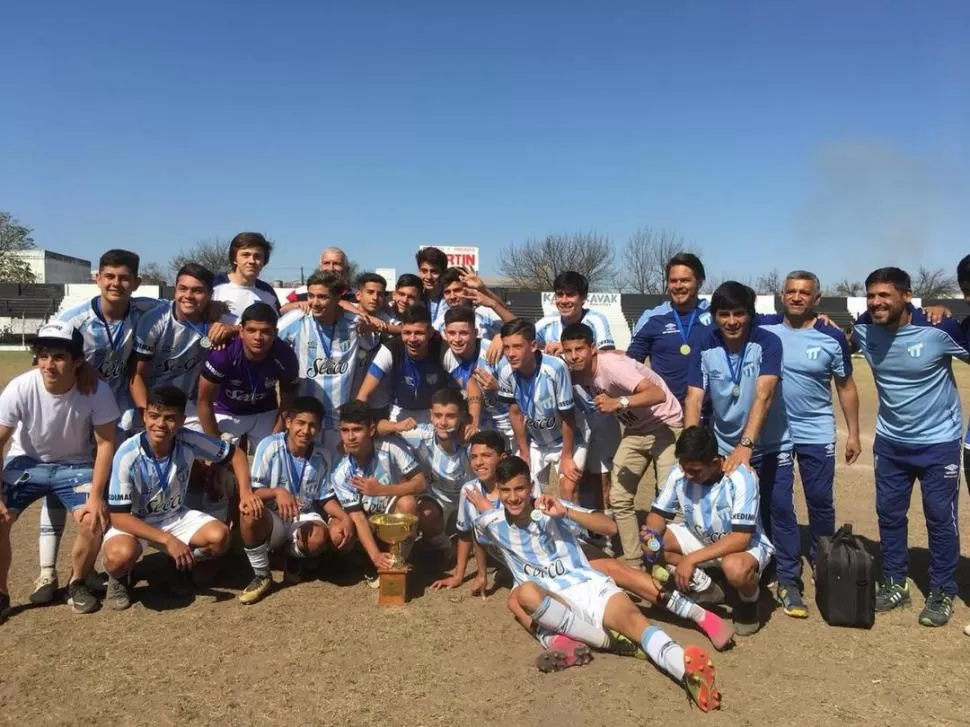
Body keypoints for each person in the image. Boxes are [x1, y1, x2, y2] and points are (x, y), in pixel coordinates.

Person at [466, 457, 720, 712]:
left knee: (636, 622)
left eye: (519, 489)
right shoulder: (490, 522)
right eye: (507, 490)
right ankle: (606, 641)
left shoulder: (551, 508)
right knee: (525, 594)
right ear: (498, 490)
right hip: (555, 602)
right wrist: (481, 574)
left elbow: (609, 527)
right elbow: (478, 537)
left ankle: (686, 672)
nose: (513, 497)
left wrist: (565, 511)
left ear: (531, 487)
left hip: (590, 588)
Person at [33, 249, 158, 605]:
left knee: (115, 492)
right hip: (78, 416)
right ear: (97, 278)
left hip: (120, 419)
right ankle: (47, 571)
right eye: (109, 276)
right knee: (60, 486)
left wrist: (215, 311)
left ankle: (112, 566)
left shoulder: (144, 312)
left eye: (124, 278)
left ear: (135, 282)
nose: (116, 283)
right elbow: (42, 362)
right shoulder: (72, 321)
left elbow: (181, 304)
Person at [850, 267, 968, 627]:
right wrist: (821, 319)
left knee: (939, 519)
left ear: (906, 295)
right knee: (889, 515)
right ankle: (896, 582)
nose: (876, 302)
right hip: (890, 444)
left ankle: (942, 589)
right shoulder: (863, 329)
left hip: (938, 444)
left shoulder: (939, 330)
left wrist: (946, 311)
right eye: (871, 296)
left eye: (885, 295)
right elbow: (831, 338)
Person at [682, 282, 805, 618]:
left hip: (769, 443)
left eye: (739, 313)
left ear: (750, 315)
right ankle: (737, 574)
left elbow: (764, 395)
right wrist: (693, 448)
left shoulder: (768, 342)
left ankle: (790, 581)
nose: (732, 321)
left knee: (779, 508)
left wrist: (746, 445)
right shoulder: (704, 344)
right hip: (723, 447)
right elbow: (693, 398)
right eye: (724, 314)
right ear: (715, 316)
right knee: (730, 514)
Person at [0, 321, 119, 620]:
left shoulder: (97, 390)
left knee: (94, 518)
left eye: (59, 357)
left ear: (78, 361)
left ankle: (76, 582)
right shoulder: (21, 386)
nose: (48, 365)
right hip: (25, 463)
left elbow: (105, 444)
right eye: (43, 355)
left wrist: (95, 495)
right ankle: (1, 594)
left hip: (74, 466)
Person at [101, 386, 252, 609]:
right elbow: (119, 518)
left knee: (220, 538)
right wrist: (168, 540)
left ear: (181, 420)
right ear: (144, 416)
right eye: (154, 416)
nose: (160, 424)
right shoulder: (127, 454)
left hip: (173, 516)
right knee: (118, 558)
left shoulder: (188, 439)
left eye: (170, 418)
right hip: (135, 521)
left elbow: (236, 455)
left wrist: (246, 493)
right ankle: (119, 578)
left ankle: (174, 564)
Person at [759, 271, 862, 568]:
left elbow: (846, 386)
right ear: (782, 295)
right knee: (774, 500)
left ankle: (822, 558)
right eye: (791, 291)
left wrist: (853, 434)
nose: (796, 297)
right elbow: (727, 316)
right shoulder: (764, 327)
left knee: (819, 499)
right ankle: (772, 557)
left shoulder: (832, 336)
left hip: (815, 431)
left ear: (816, 299)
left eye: (804, 293)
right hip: (774, 432)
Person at [561, 323, 683, 568]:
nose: (574, 356)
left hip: (665, 425)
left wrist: (620, 402)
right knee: (619, 497)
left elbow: (657, 394)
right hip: (636, 430)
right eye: (568, 351)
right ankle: (634, 562)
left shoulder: (612, 366)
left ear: (593, 348)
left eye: (580, 349)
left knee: (671, 496)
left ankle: (677, 562)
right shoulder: (573, 369)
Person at [644, 426, 775, 637]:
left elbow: (741, 539)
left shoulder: (742, 478)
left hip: (740, 546)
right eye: (684, 467)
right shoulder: (681, 472)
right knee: (654, 546)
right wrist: (650, 533)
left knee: (735, 568)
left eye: (694, 471)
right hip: (699, 537)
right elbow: (658, 514)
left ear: (715, 463)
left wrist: (691, 559)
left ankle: (749, 600)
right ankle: (707, 587)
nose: (687, 475)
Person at [238, 397, 355, 604]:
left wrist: (344, 517)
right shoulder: (269, 445)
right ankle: (262, 575)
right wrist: (277, 492)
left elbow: (325, 497)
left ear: (319, 429)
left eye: (312, 426)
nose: (305, 430)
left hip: (303, 516)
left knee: (319, 538)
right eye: (300, 423)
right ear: (288, 421)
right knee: (248, 511)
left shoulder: (322, 454)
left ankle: (290, 555)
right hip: (272, 517)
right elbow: (254, 492)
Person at [277, 272, 379, 456]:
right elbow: (266, 336)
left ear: (338, 298)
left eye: (323, 297)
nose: (315, 302)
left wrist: (369, 325)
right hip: (306, 421)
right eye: (311, 295)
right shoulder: (297, 319)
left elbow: (372, 342)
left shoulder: (354, 323)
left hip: (339, 422)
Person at [131, 263, 232, 431]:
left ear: (210, 295)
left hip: (187, 406)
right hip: (150, 405)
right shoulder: (156, 320)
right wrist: (147, 414)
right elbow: (136, 375)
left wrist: (231, 328)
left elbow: (253, 330)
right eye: (183, 288)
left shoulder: (217, 319)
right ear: (175, 290)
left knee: (200, 450)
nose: (188, 295)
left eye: (197, 291)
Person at [330, 402, 428, 577]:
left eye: (357, 430)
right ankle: (366, 558)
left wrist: (381, 490)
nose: (351, 437)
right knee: (338, 532)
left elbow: (420, 483)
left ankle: (397, 564)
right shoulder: (340, 473)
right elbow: (358, 517)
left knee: (408, 503)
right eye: (345, 430)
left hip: (391, 517)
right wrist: (375, 556)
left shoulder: (391, 447)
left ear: (372, 429)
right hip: (367, 524)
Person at [496, 318, 586, 500]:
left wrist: (567, 457)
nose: (511, 353)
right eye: (506, 347)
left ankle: (574, 528)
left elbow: (567, 416)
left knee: (568, 488)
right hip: (536, 440)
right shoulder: (504, 369)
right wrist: (523, 452)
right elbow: (514, 413)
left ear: (533, 345)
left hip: (568, 439)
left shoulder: (555, 368)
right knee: (526, 490)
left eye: (517, 346)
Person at [196, 302, 300, 452]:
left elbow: (289, 400)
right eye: (251, 330)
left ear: (275, 333)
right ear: (241, 332)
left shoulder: (285, 355)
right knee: (217, 461)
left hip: (264, 410)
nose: (258, 337)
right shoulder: (222, 354)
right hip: (226, 410)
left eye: (265, 331)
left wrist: (275, 437)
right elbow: (203, 401)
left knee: (273, 455)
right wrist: (215, 444)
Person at [392, 388, 473, 552]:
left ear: (462, 416)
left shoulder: (475, 440)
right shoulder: (420, 434)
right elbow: (377, 429)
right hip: (438, 502)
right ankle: (444, 548)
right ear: (430, 415)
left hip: (470, 502)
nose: (442, 422)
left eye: (450, 416)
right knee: (426, 513)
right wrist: (397, 425)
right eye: (437, 415)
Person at [627, 253, 712, 404]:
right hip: (666, 415)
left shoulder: (715, 315)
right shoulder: (652, 318)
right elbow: (631, 366)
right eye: (673, 281)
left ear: (699, 282)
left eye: (685, 280)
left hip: (707, 415)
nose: (678, 286)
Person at [355, 303, 456, 426]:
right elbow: (363, 395)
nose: (412, 339)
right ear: (401, 330)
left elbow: (471, 387)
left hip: (435, 415)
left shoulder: (442, 350)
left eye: (419, 333)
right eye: (407, 332)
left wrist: (472, 423)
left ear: (430, 332)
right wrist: (359, 424)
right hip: (398, 414)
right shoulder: (391, 349)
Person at [441, 306, 512, 448]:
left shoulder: (495, 353)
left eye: (463, 333)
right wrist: (468, 422)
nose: (457, 339)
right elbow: (470, 387)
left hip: (510, 424)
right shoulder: (448, 358)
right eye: (452, 333)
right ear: (445, 334)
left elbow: (523, 394)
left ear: (475, 333)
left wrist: (499, 389)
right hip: (482, 423)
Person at [211, 232, 280, 323]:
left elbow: (275, 327)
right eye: (245, 255)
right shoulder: (214, 285)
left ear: (264, 261)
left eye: (257, 256)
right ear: (234, 259)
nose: (252, 261)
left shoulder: (268, 291)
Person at [416, 247, 449, 325]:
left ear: (443, 273)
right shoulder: (414, 298)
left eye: (434, 272)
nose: (428, 277)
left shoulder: (451, 299)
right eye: (424, 271)